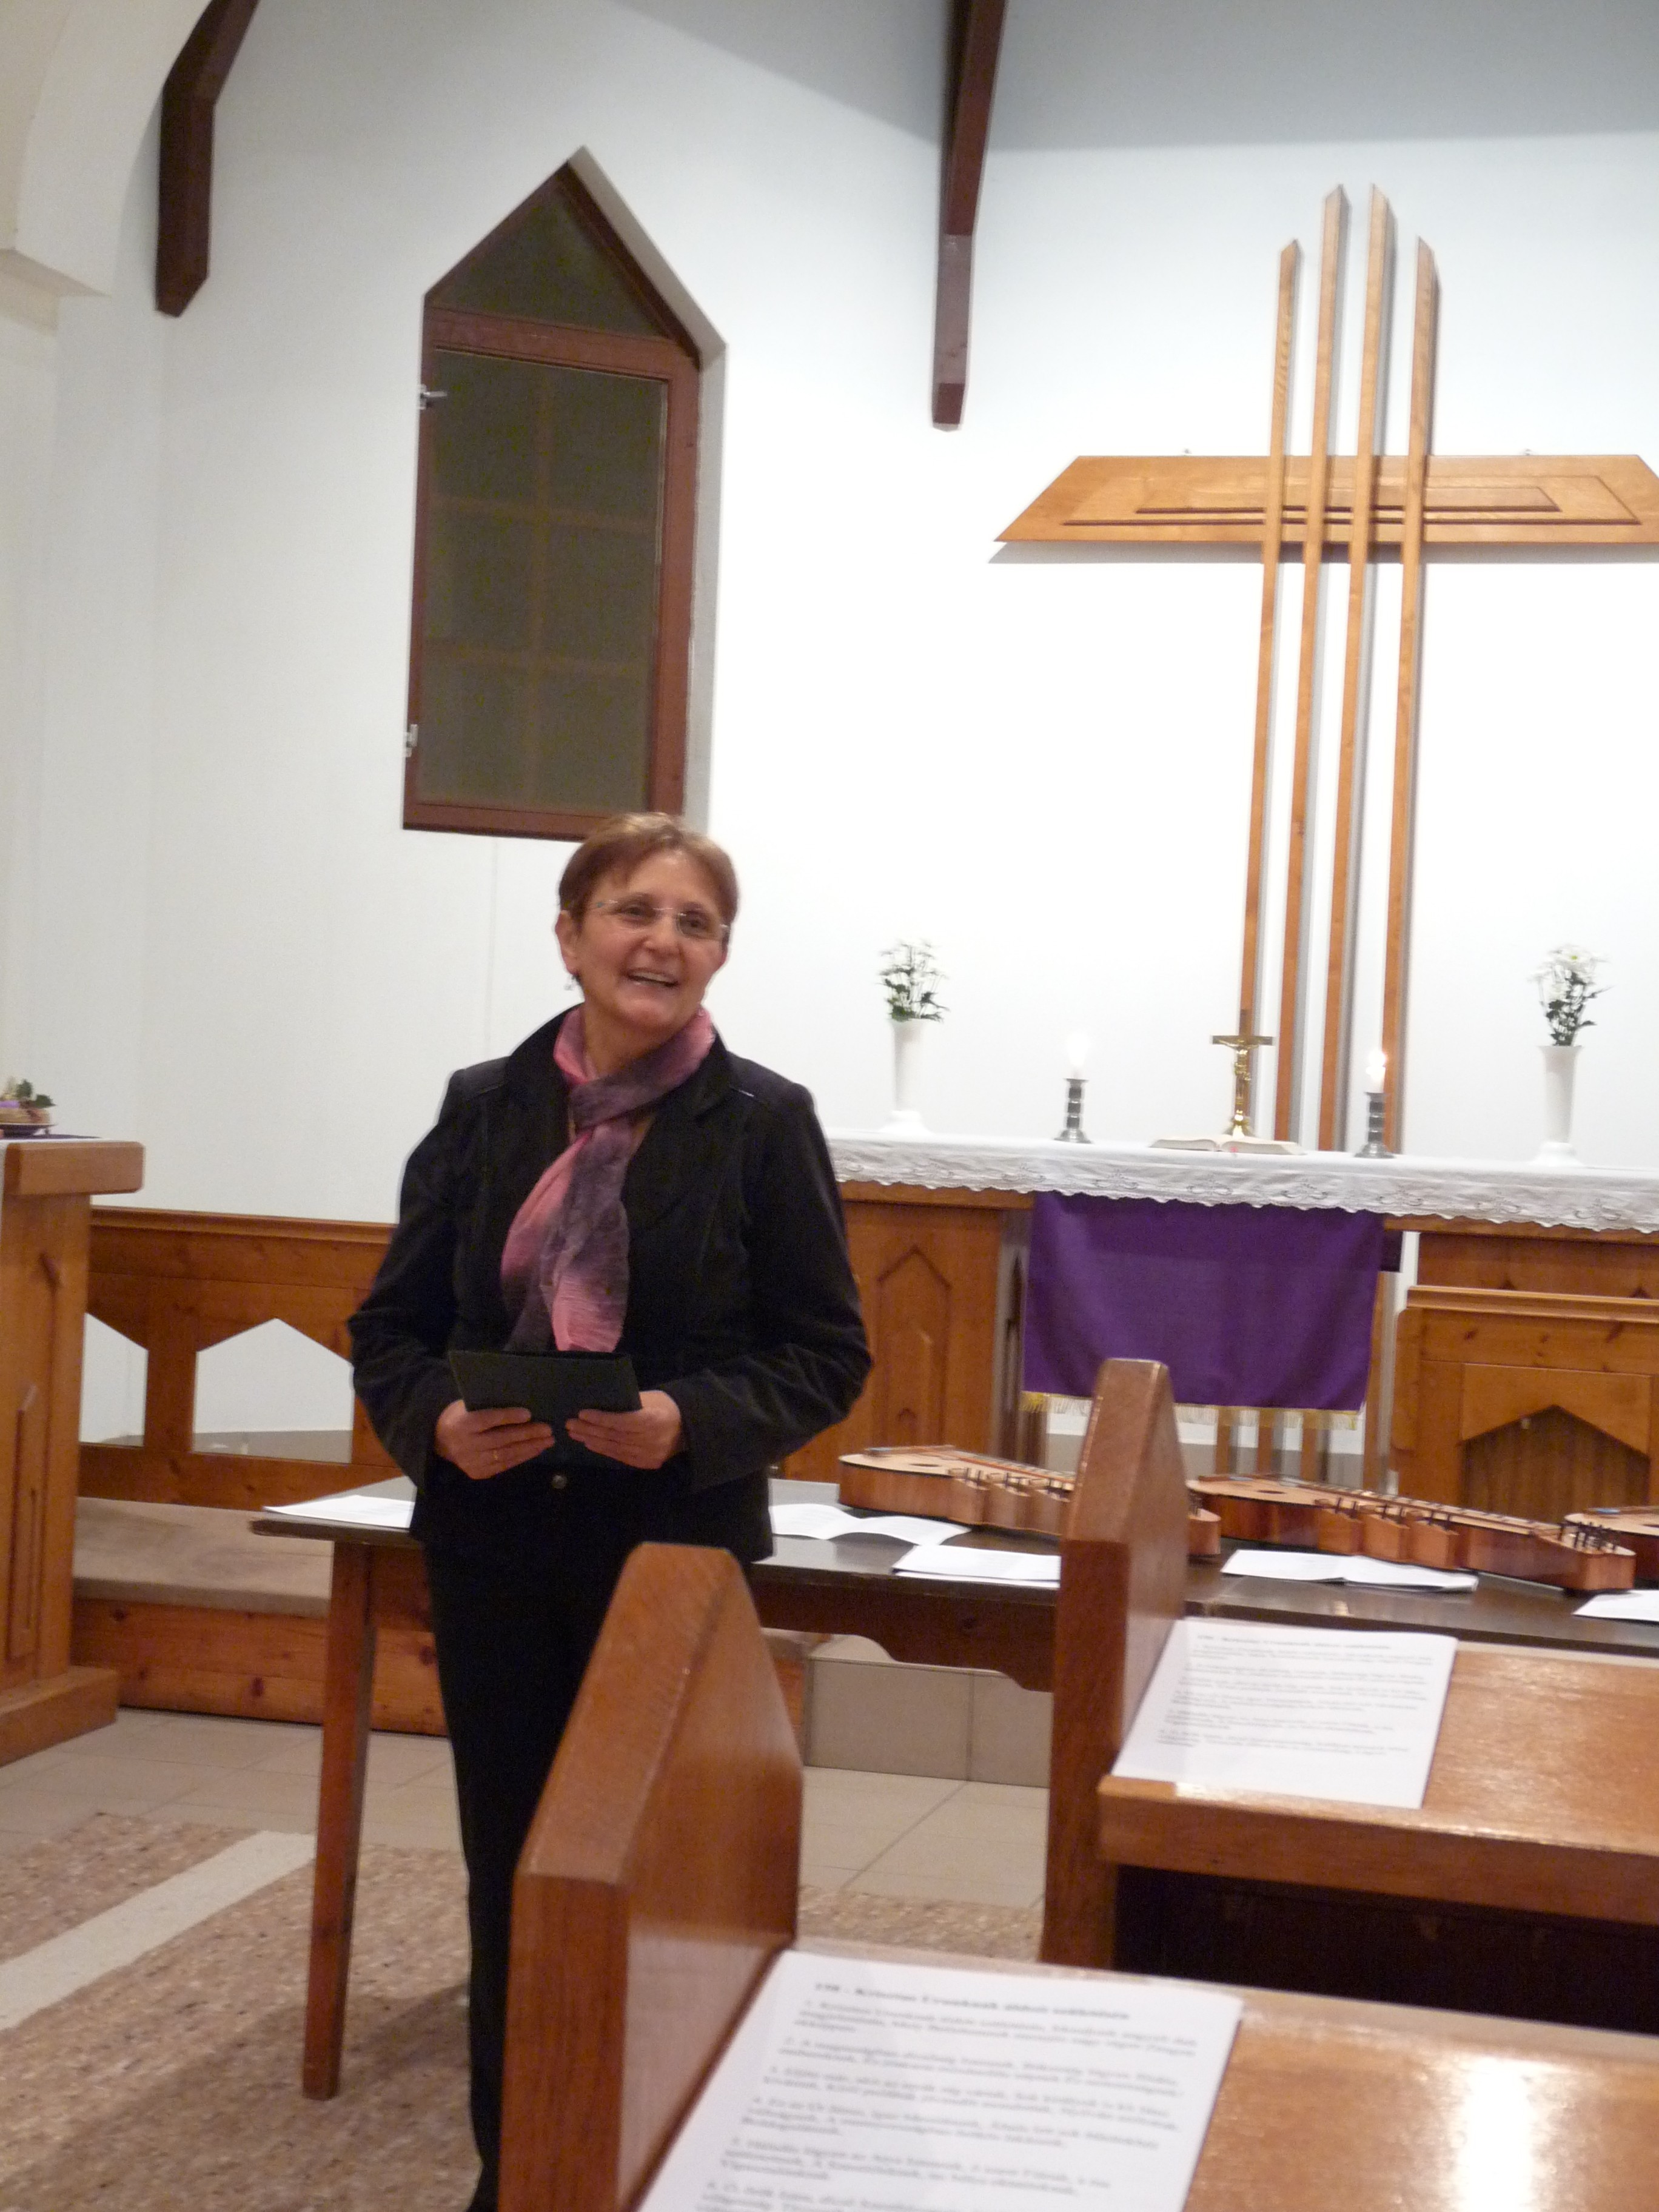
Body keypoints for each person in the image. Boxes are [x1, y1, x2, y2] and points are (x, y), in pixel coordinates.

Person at [349, 814, 870, 2212]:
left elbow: (827, 1353)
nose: (663, 941)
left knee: (663, 1874)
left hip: (671, 1558)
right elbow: (391, 1328)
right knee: (519, 1870)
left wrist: (688, 1420)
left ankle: (672, 2161)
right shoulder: (485, 1106)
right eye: (636, 911)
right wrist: (437, 1424)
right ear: (572, 934)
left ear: (720, 957)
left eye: (696, 923)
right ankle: (523, 2171)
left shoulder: (764, 1122)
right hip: (499, 1544)